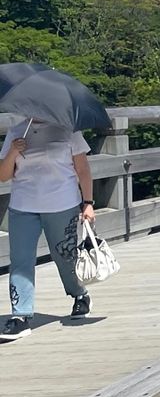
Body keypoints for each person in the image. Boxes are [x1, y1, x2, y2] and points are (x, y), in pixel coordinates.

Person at [0, 118, 96, 341]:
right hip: (23, 206)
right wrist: (14, 151)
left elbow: (82, 169)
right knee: (20, 260)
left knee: (65, 256)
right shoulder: (17, 131)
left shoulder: (68, 131)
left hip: (62, 204)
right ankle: (21, 315)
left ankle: (80, 295)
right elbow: (3, 175)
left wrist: (88, 202)